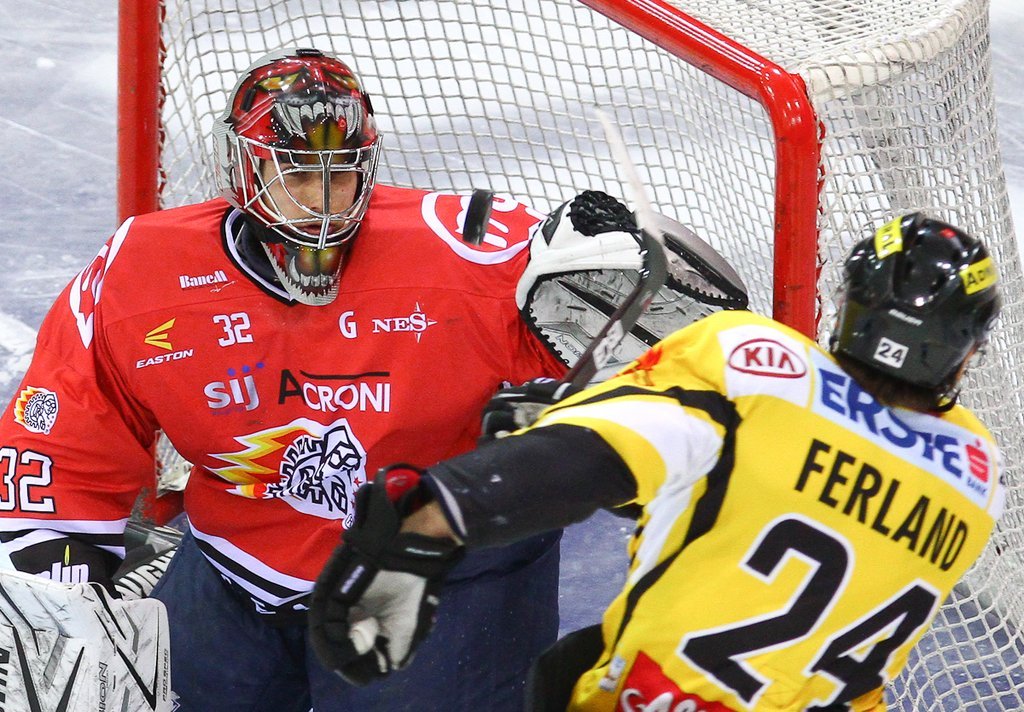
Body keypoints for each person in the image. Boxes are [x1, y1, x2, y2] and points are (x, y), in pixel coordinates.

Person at [0, 47, 695, 711]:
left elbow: (669, 354)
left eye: (341, 173)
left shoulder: (473, 254)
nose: (323, 201)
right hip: (236, 564)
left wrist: (631, 293)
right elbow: (63, 437)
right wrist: (61, 589)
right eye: (296, 173)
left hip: (439, 573)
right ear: (244, 168)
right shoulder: (141, 272)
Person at [309, 213, 1005, 711]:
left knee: (573, 671)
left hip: (658, 696)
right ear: (963, 351)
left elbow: (585, 462)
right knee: (573, 660)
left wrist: (416, 532)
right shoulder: (976, 475)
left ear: (850, 309)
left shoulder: (758, 368)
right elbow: (774, 498)